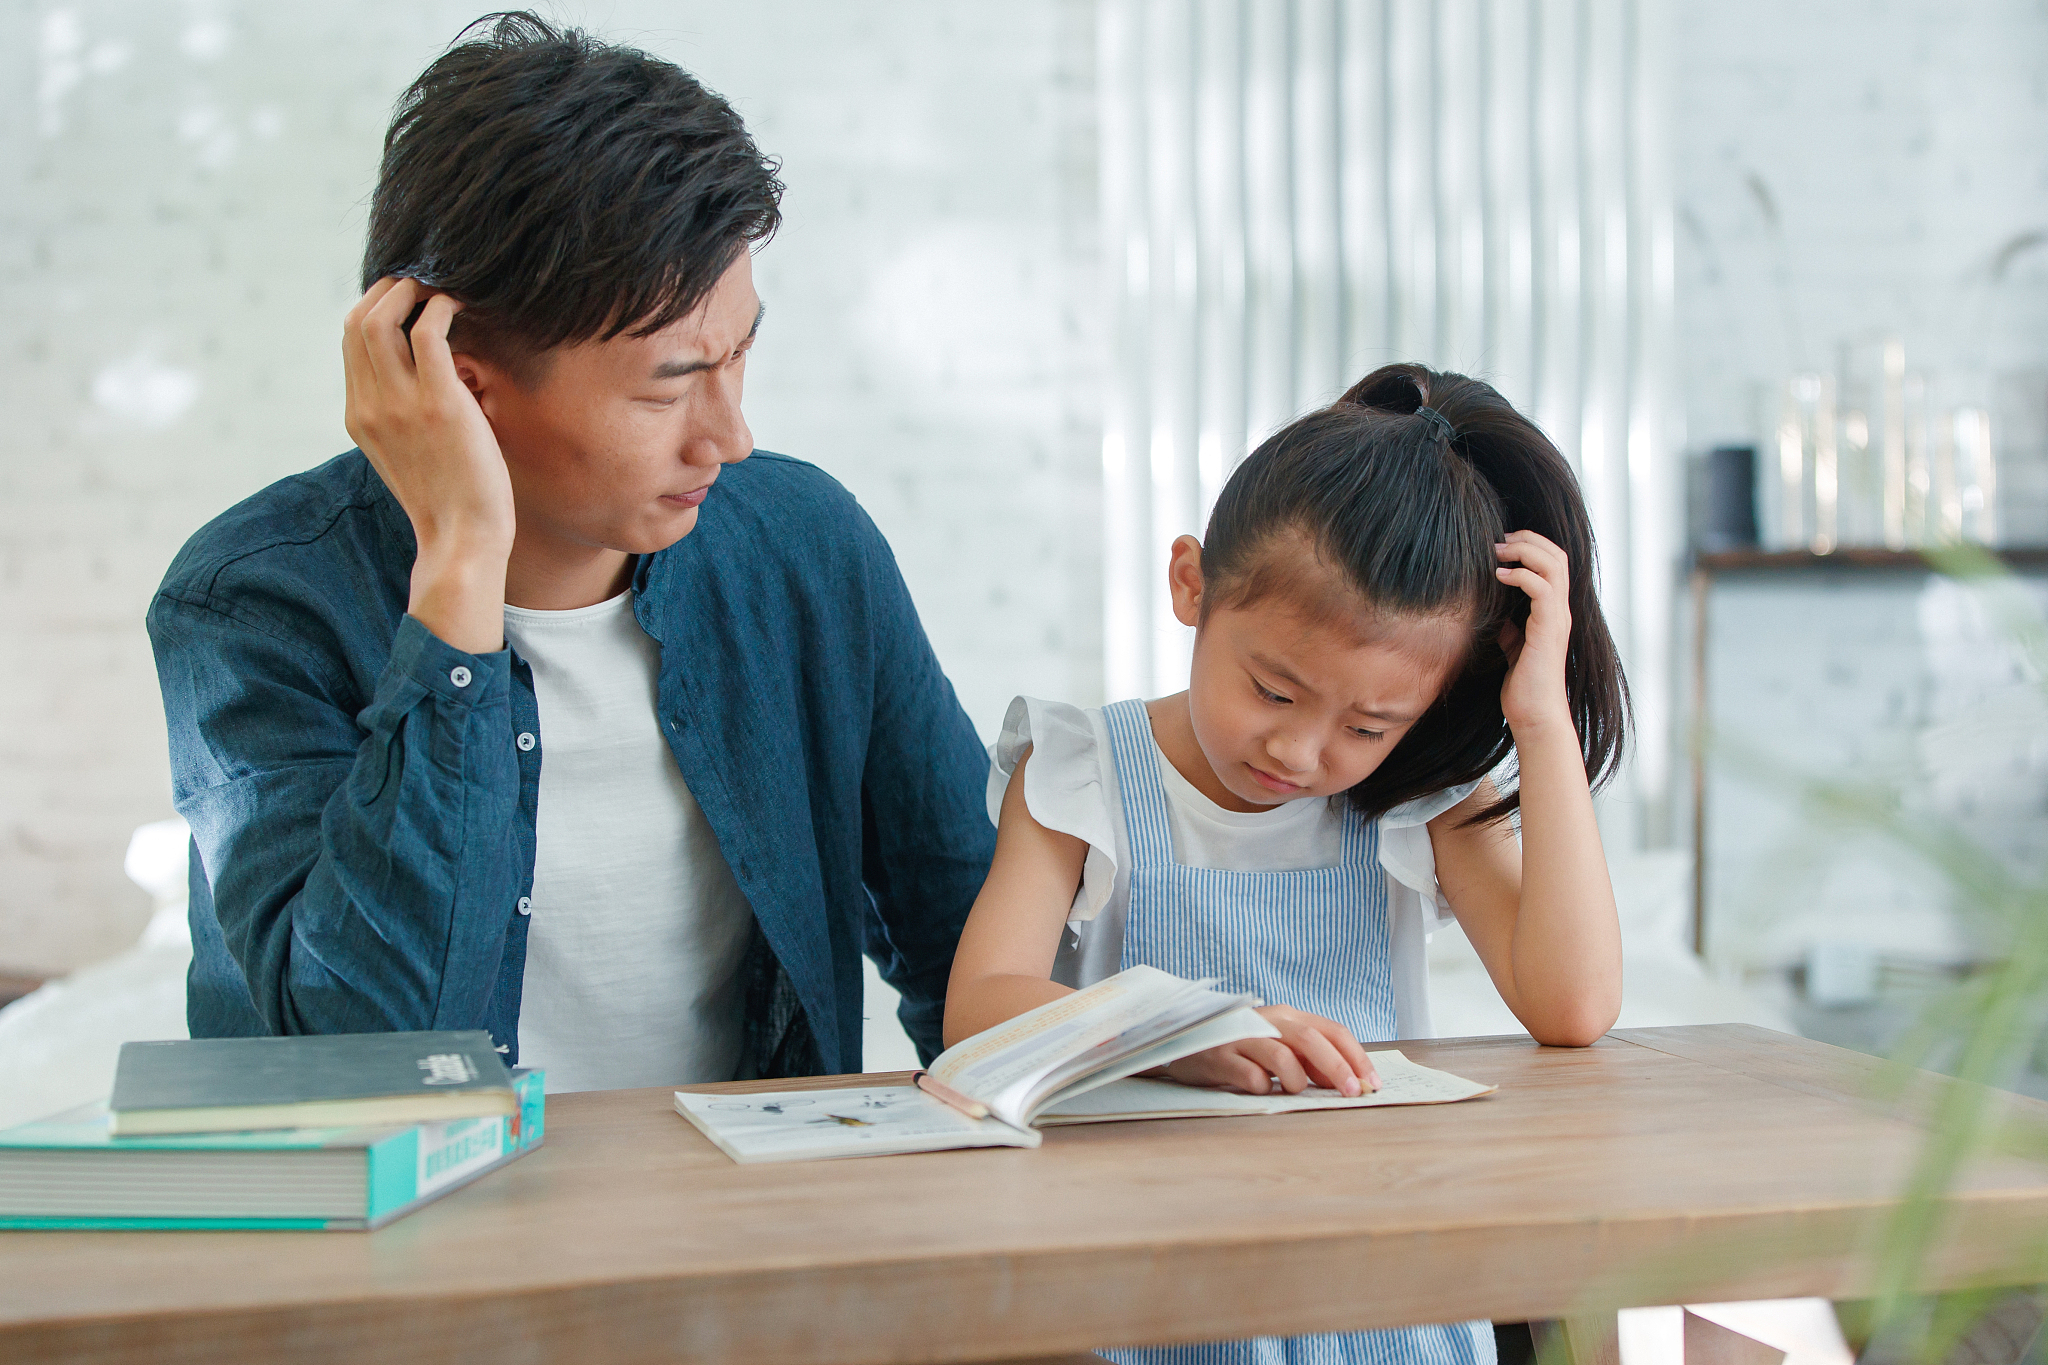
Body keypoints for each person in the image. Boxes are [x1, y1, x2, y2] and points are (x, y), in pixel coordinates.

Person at [146, 14, 995, 1090]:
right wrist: (459, 569)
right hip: (391, 1245)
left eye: (740, 358)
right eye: (670, 383)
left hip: (732, 1230)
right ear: (458, 379)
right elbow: (361, 1056)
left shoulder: (802, 548)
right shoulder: (250, 604)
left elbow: (966, 936)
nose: (728, 438)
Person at [945, 363, 1630, 1365]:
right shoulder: (1082, 771)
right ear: (1189, 585)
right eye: (1270, 692)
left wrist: (1536, 717)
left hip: (1379, 1285)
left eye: (1366, 723)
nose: (1301, 755)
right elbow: (978, 1007)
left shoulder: (1417, 799)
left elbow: (1570, 1008)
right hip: (1145, 1283)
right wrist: (1173, 1033)